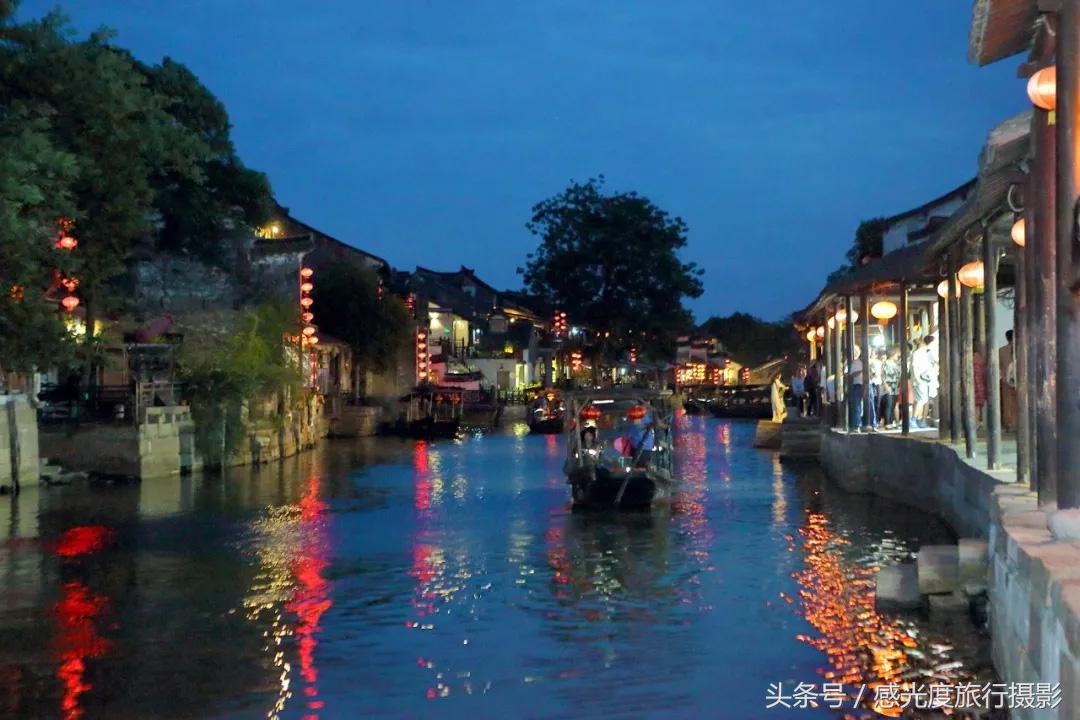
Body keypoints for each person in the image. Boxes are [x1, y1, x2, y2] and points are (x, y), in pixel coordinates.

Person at [911, 335, 935, 428]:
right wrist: (917, 379)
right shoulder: (918, 353)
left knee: (922, 400)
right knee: (922, 399)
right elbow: (914, 367)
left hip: (926, 379)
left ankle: (920, 421)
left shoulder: (925, 353)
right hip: (921, 380)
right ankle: (913, 419)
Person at [999, 329, 1017, 431]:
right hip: (1019, 380)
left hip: (1005, 380)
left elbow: (999, 366)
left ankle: (1009, 424)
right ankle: (1017, 423)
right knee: (1018, 403)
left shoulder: (1001, 350)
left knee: (1007, 403)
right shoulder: (1021, 348)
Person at [880, 347, 901, 429]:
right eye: (896, 354)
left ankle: (891, 421)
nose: (897, 355)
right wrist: (885, 385)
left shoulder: (896, 363)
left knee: (893, 404)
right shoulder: (885, 363)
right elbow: (883, 375)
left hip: (895, 385)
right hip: (888, 385)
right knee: (888, 404)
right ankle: (888, 422)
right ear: (892, 354)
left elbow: (899, 375)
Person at [847, 346, 866, 430]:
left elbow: (852, 374)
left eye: (856, 351)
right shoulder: (852, 362)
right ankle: (855, 424)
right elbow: (851, 374)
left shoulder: (858, 362)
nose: (855, 352)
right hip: (855, 385)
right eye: (854, 351)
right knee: (856, 406)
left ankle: (857, 424)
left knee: (858, 406)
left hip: (859, 385)